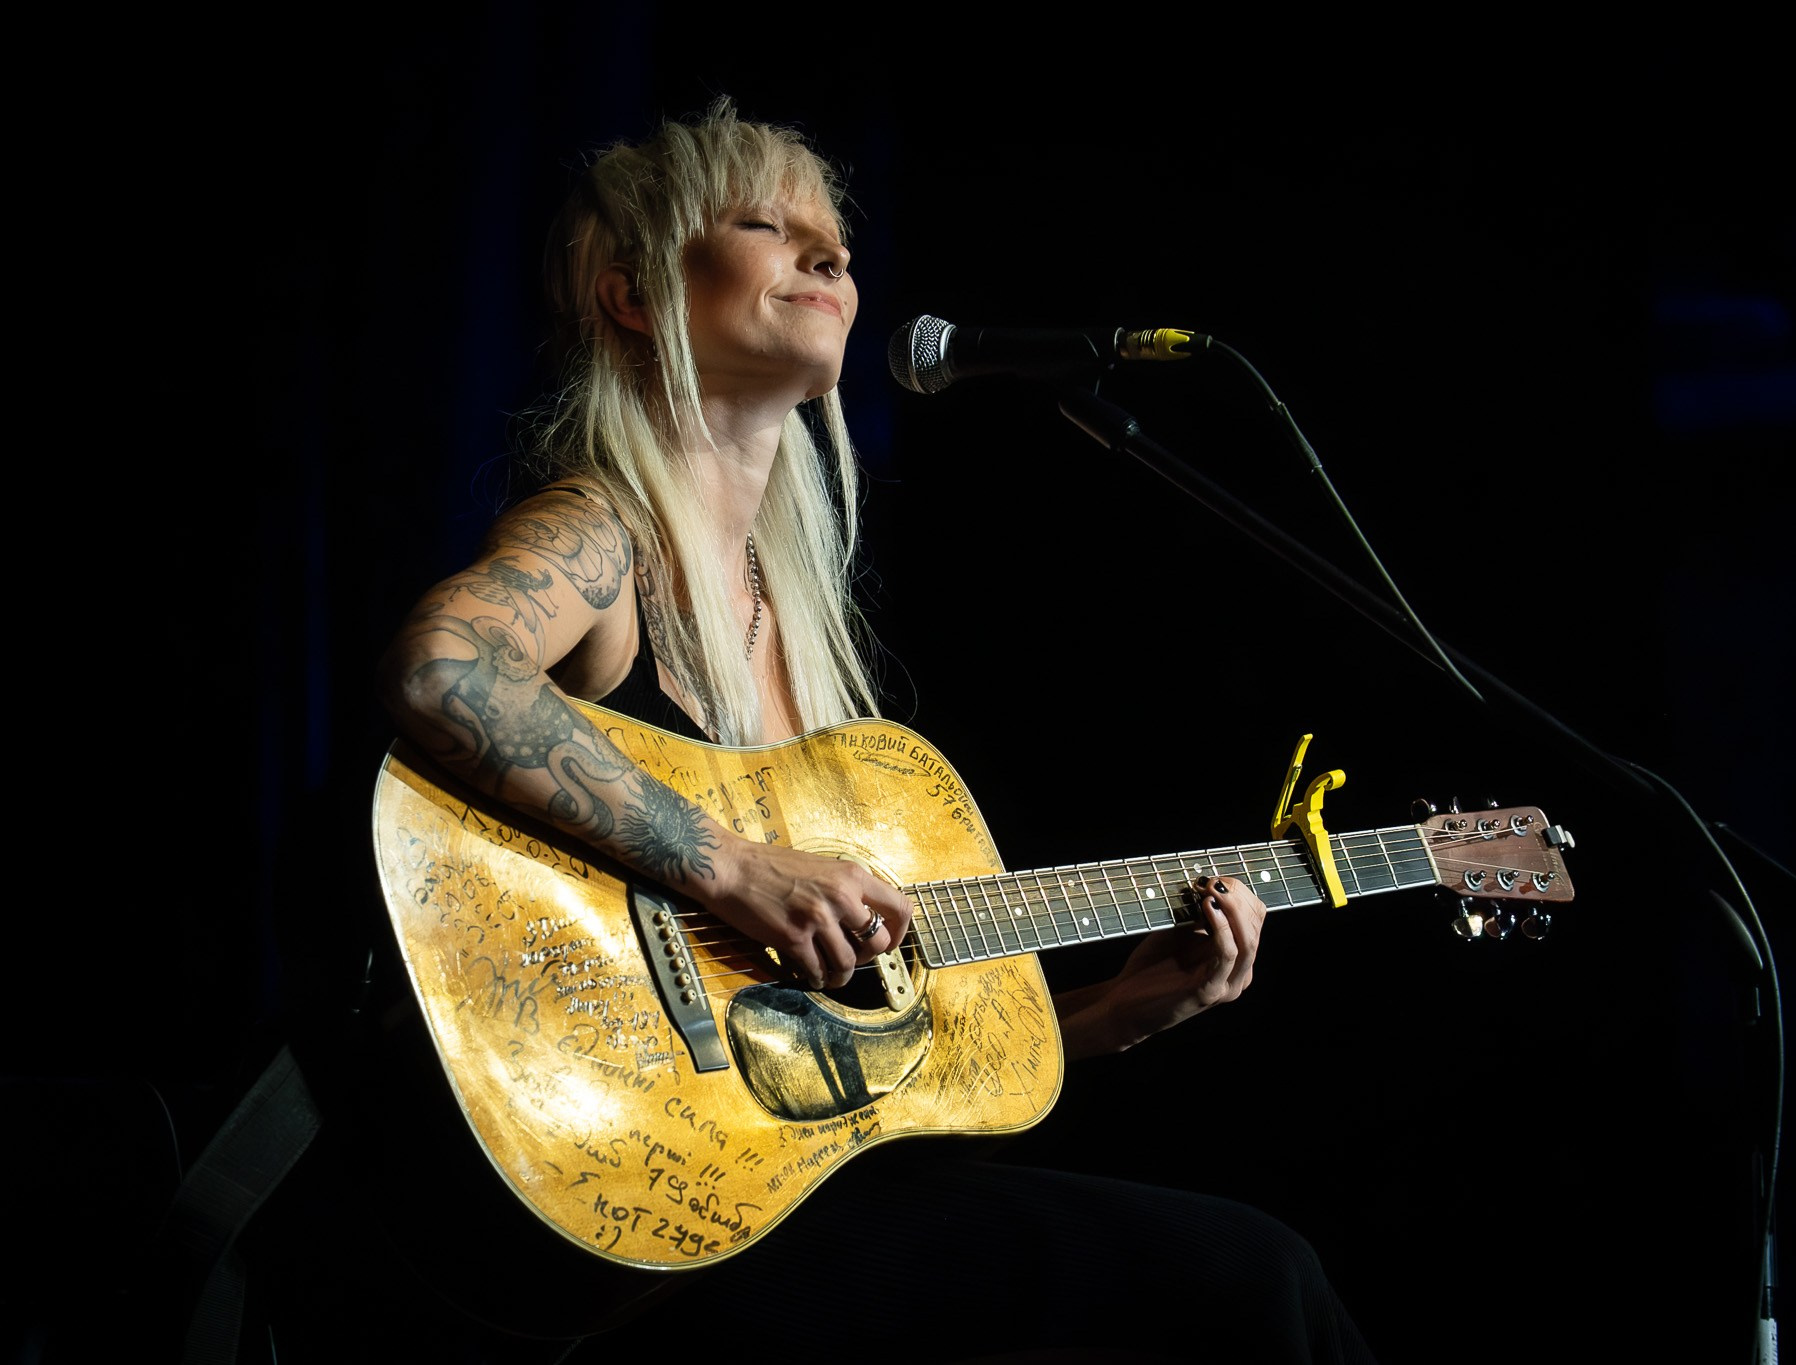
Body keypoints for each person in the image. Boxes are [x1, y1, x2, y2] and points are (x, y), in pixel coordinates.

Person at [369, 98, 1375, 1364]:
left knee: (1234, 1279)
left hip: (790, 1206)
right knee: (1253, 1286)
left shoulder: (805, 639)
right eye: (763, 225)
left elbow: (858, 1087)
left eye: (834, 239)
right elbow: (442, 665)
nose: (829, 256)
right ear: (631, 296)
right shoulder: (600, 534)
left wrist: (1109, 1014)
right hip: (632, 1244)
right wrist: (730, 867)